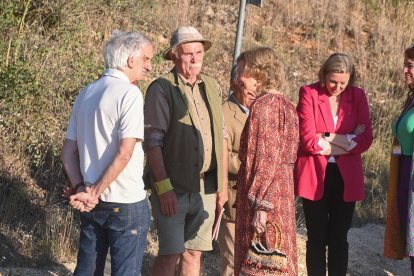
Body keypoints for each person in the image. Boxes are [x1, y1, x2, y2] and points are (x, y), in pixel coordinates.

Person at [61, 30, 153, 276]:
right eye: (146, 59)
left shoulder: (86, 92)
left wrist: (84, 189)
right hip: (125, 203)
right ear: (130, 60)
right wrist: (93, 193)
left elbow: (68, 152)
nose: (150, 66)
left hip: (93, 203)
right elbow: (125, 153)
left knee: (87, 271)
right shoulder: (130, 93)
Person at [143, 26, 228, 276]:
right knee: (169, 253)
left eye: (198, 52)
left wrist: (220, 186)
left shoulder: (212, 86)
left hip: (206, 188)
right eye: (188, 53)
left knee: (194, 253)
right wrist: (164, 188)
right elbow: (152, 142)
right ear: (173, 56)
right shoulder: (161, 88)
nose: (194, 59)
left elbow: (220, 137)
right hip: (173, 188)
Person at [294, 53, 373, 276]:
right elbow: (308, 141)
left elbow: (366, 139)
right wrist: (348, 141)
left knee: (339, 238)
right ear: (323, 74)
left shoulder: (357, 96)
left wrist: (327, 135)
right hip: (314, 175)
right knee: (316, 238)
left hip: (346, 177)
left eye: (343, 83)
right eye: (332, 81)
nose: (337, 87)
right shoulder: (309, 92)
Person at [233, 46, 299, 276]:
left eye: (242, 70)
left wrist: (261, 206)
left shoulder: (263, 107)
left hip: (263, 200)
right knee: (279, 264)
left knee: (258, 265)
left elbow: (266, 160)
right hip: (282, 196)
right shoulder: (288, 106)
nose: (239, 78)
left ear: (258, 72)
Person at [219, 64, 253, 276]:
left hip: (257, 203)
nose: (254, 94)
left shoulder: (261, 109)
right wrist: (255, 164)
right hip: (234, 199)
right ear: (234, 85)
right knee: (233, 263)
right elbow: (220, 157)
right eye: (249, 91)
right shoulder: (223, 113)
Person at [384, 44, 414, 274]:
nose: (405, 70)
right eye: (405, 64)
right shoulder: (411, 99)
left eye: (410, 66)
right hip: (406, 179)